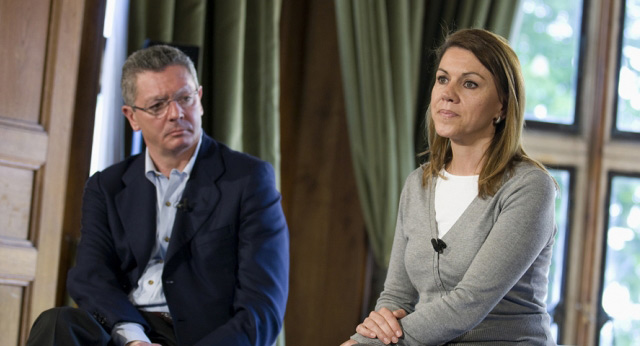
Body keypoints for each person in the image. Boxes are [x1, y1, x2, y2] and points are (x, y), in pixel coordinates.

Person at [26, 45, 289, 346]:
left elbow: (262, 309)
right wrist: (134, 340)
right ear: (132, 117)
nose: (176, 114)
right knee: (57, 323)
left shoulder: (248, 180)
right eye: (157, 105)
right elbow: (91, 277)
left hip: (199, 338)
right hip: (126, 330)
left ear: (199, 100)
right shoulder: (106, 186)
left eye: (185, 98)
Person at [341, 28, 557, 345]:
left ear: (502, 105)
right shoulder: (418, 184)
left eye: (469, 83)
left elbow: (468, 303)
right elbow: (397, 297)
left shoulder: (529, 187)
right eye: (443, 79)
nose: (448, 93)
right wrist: (377, 330)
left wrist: (362, 344)